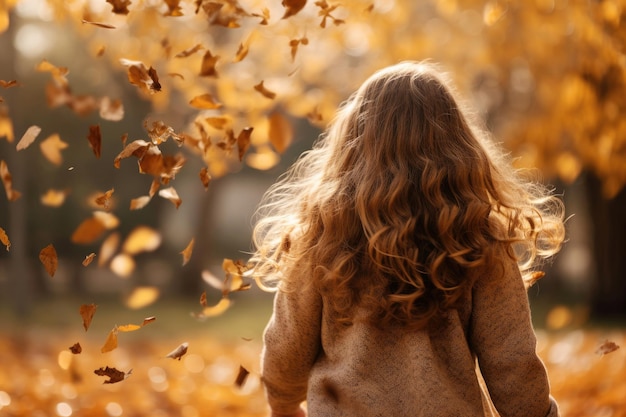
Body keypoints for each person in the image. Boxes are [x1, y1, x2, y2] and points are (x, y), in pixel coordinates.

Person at [250, 61, 565, 417]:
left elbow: (286, 350)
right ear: (457, 144)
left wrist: (283, 406)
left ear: (355, 142)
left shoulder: (321, 238)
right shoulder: (480, 239)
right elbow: (512, 364)